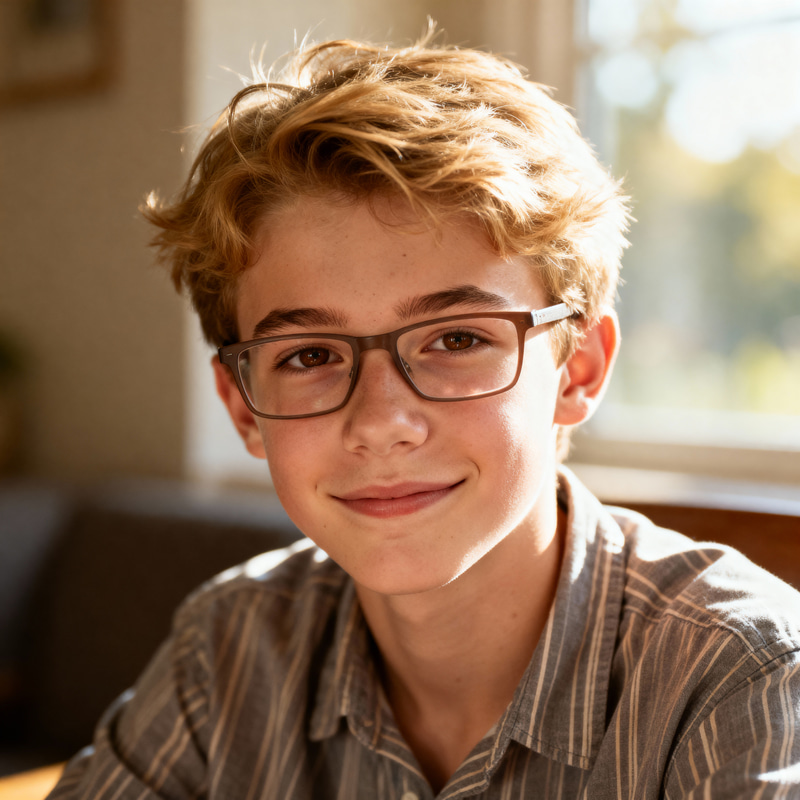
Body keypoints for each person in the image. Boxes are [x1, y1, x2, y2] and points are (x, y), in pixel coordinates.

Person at [48, 30, 800, 800]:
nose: (381, 421)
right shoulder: (228, 649)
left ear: (578, 368)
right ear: (244, 406)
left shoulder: (745, 679)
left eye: (457, 338)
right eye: (308, 355)